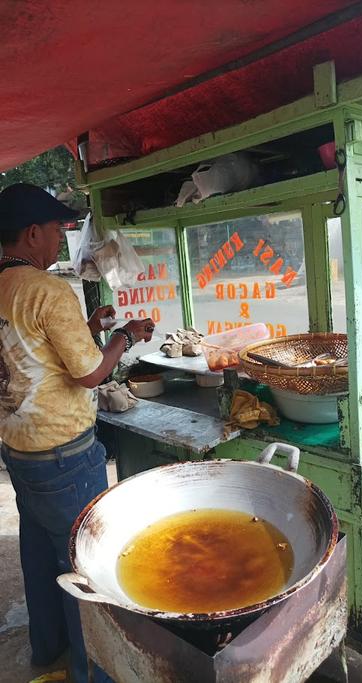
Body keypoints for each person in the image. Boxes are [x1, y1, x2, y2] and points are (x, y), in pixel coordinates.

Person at [0, 183, 154, 682]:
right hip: (65, 455)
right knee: (87, 569)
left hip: (19, 451)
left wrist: (87, 327)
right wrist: (124, 336)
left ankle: (47, 648)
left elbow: (36, 355)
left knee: (42, 552)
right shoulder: (46, 289)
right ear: (31, 234)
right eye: (55, 231)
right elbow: (91, 375)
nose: (59, 241)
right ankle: (95, 672)